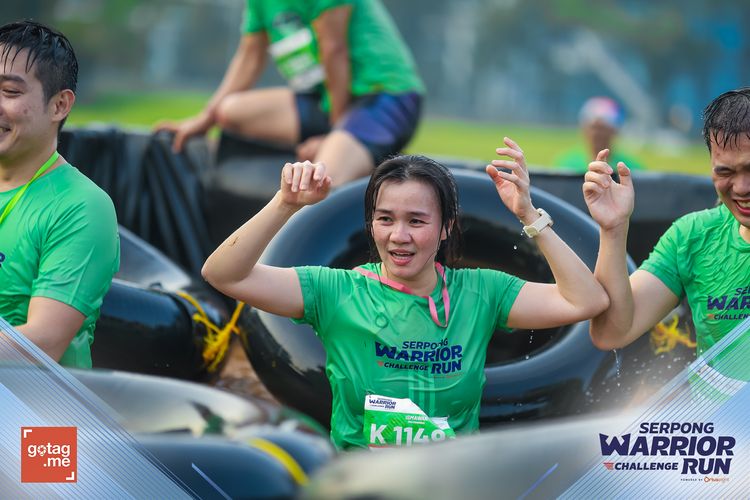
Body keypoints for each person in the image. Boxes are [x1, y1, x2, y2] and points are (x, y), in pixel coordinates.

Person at [202, 136, 609, 450]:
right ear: (371, 225)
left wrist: (527, 213)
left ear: (445, 228)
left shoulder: (481, 291)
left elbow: (585, 302)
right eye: (385, 219)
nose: (399, 236)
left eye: (416, 221)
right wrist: (285, 203)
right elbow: (223, 275)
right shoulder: (337, 290)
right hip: (364, 485)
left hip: (452, 484)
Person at [583, 87, 750, 395]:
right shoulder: (693, 236)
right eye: (725, 172)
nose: (741, 187)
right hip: (715, 425)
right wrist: (613, 228)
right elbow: (611, 332)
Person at [156, 0, 424, 187]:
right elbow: (249, 57)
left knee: (319, 183)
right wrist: (205, 120)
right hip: (328, 98)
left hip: (386, 95)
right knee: (229, 111)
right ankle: (347, 147)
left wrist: (332, 133)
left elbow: (334, 50)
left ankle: (348, 149)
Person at [0, 21, 120, 368]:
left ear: (59, 105)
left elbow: (44, 342)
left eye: (10, 91)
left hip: (36, 400)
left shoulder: (81, 206)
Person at [554, 96, 644, 173]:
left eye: (602, 129)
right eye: (593, 128)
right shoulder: (565, 165)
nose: (597, 135)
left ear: (615, 131)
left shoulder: (630, 168)